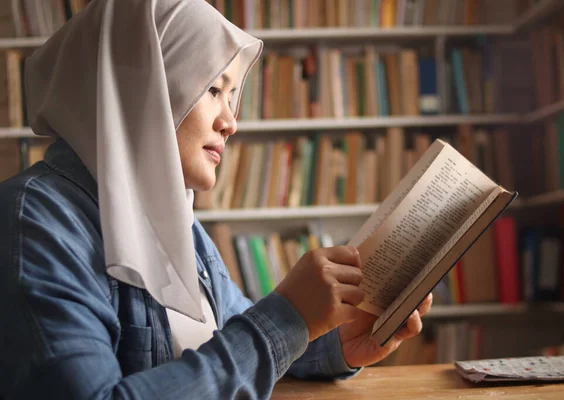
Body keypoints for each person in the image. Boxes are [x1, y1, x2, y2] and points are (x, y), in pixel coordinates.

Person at [0, 1, 433, 399]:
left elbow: (236, 346)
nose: (230, 122)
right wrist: (288, 317)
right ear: (141, 86)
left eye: (232, 95)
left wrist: (338, 340)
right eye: (212, 89)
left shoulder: (175, 223)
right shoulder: (36, 223)